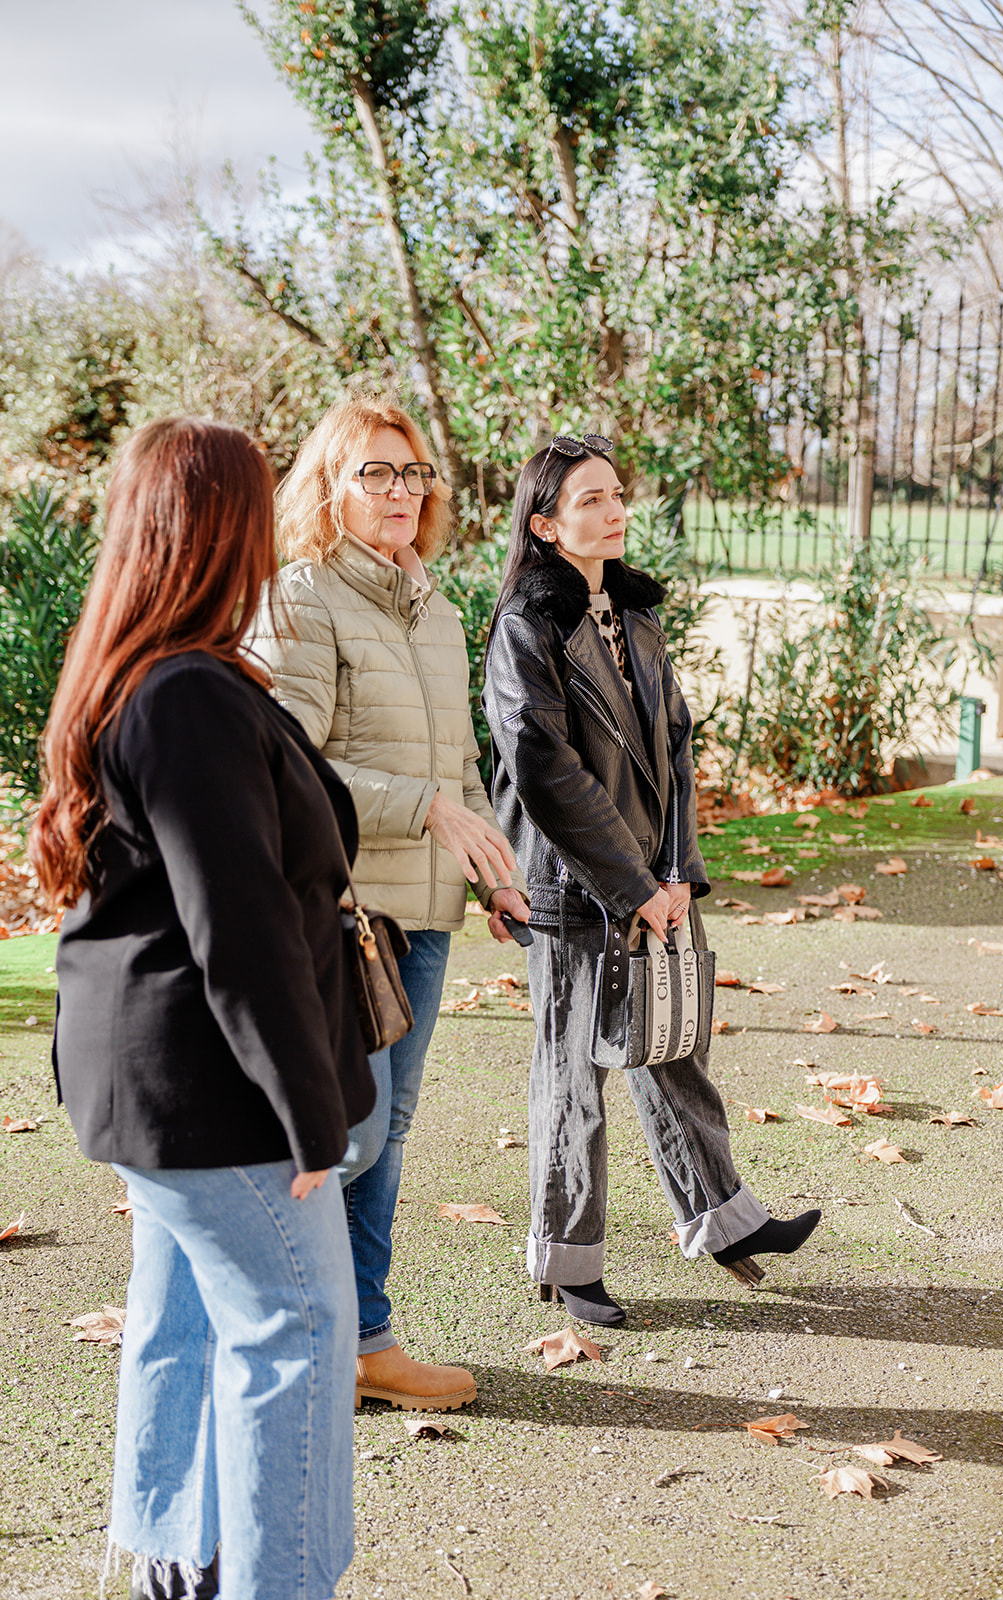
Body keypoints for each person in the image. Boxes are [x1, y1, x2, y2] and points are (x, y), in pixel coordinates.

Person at [29, 418, 375, 1600]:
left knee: (185, 1319)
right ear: (219, 529)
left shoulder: (154, 677)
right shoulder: (187, 695)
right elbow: (241, 925)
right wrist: (308, 1114)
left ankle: (179, 1561)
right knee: (300, 1334)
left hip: (159, 1092)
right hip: (214, 1098)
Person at [482, 432, 821, 1328]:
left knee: (673, 1044)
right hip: (575, 886)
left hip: (653, 882)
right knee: (572, 1074)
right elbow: (541, 767)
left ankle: (724, 1223)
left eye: (617, 492)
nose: (614, 508)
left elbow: (675, 747)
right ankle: (567, 1261)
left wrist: (677, 873)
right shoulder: (526, 625)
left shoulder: (635, 618)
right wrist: (633, 884)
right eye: (590, 498)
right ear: (546, 524)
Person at [248, 394, 528, 1412]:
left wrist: (492, 867)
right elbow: (285, 763)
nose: (401, 491)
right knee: (345, 1133)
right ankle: (287, 1328)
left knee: (389, 1130)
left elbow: (455, 764)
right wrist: (426, 811)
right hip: (338, 911)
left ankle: (365, 1340)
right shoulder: (301, 599)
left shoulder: (435, 607)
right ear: (329, 486)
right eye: (375, 472)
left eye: (412, 473)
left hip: (423, 912)